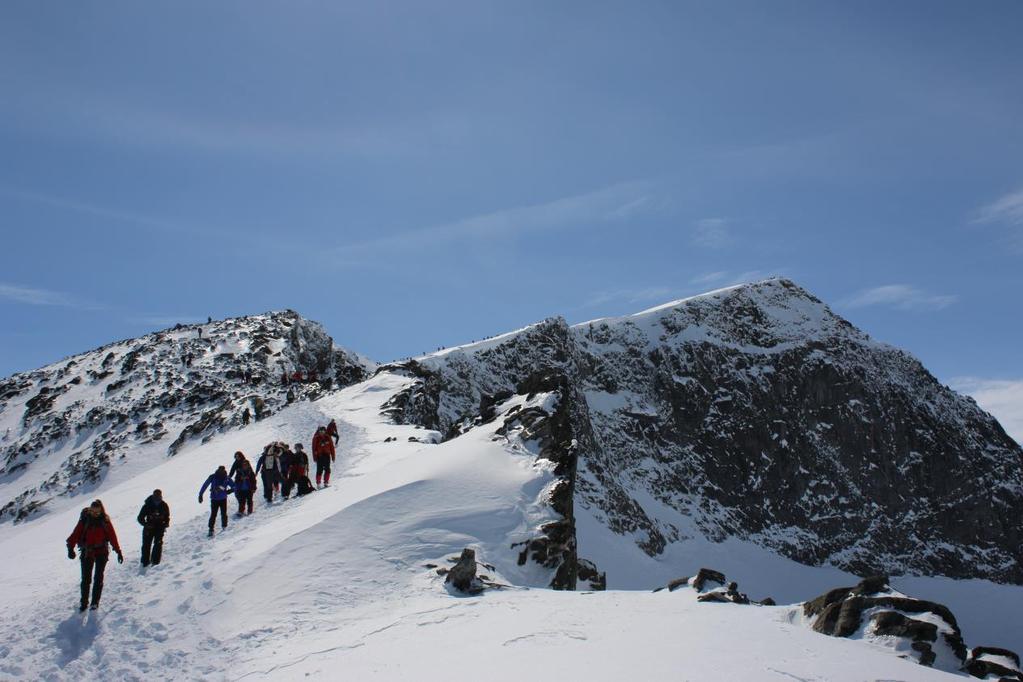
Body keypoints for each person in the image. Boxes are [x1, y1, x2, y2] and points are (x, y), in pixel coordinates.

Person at [66, 500, 123, 611]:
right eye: (93, 511)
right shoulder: (85, 520)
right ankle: (84, 602)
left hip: (101, 552)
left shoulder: (105, 521)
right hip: (88, 552)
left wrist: (118, 550)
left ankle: (95, 602)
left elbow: (112, 536)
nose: (95, 514)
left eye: (97, 512)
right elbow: (76, 533)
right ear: (90, 510)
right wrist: (70, 548)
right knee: (86, 579)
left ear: (101, 511)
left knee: (98, 577)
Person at [198, 465, 236, 537]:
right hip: (219, 498)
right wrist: (230, 491)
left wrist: (201, 494)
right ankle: (221, 527)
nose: (221, 471)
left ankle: (213, 529)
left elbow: (205, 485)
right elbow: (234, 486)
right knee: (220, 513)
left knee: (216, 514)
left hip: (216, 498)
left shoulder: (217, 477)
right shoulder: (223, 477)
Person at [136, 489, 170, 567]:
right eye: (156, 496)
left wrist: (166, 523)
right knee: (146, 545)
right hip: (149, 528)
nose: (158, 498)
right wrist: (146, 524)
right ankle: (145, 562)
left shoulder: (164, 505)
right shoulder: (147, 505)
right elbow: (140, 517)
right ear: (153, 495)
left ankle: (155, 562)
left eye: (159, 496)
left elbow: (167, 516)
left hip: (160, 528)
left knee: (158, 544)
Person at [229, 451, 257, 515]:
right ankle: (241, 511)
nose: (237, 457)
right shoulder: (236, 463)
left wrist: (254, 486)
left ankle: (249, 511)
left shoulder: (246, 463)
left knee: (249, 499)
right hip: (240, 483)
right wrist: (230, 477)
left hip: (248, 484)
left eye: (238, 456)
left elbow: (252, 476)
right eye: (236, 456)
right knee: (242, 499)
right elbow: (232, 470)